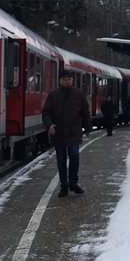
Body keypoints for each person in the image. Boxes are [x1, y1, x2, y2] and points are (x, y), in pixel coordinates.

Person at [42, 69, 91, 197]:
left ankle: (73, 184)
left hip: (74, 132)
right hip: (59, 133)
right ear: (60, 81)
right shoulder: (53, 95)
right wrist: (49, 125)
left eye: (69, 80)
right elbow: (46, 112)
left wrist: (87, 128)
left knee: (74, 157)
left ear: (72, 80)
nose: (67, 82)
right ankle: (64, 186)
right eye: (65, 80)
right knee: (61, 160)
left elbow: (85, 112)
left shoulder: (78, 94)